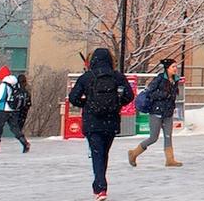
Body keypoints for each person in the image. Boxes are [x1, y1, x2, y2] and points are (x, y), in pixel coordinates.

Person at [68, 48, 134, 201]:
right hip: (111, 121)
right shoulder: (117, 76)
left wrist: (86, 103)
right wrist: (117, 103)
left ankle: (100, 187)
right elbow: (129, 95)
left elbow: (73, 98)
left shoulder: (87, 77)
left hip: (92, 122)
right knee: (103, 153)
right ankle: (99, 185)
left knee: (97, 153)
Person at [129, 58, 182, 167]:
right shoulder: (159, 79)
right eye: (173, 67)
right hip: (156, 112)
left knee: (168, 136)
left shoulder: (176, 80)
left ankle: (170, 160)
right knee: (153, 137)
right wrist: (163, 95)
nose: (176, 69)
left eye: (176, 66)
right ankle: (134, 153)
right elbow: (149, 93)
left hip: (168, 112)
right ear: (167, 68)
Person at [0, 71, 30, 154]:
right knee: (15, 128)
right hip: (13, 109)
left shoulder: (4, 84)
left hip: (4, 109)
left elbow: (1, 96)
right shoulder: (16, 83)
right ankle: (24, 142)